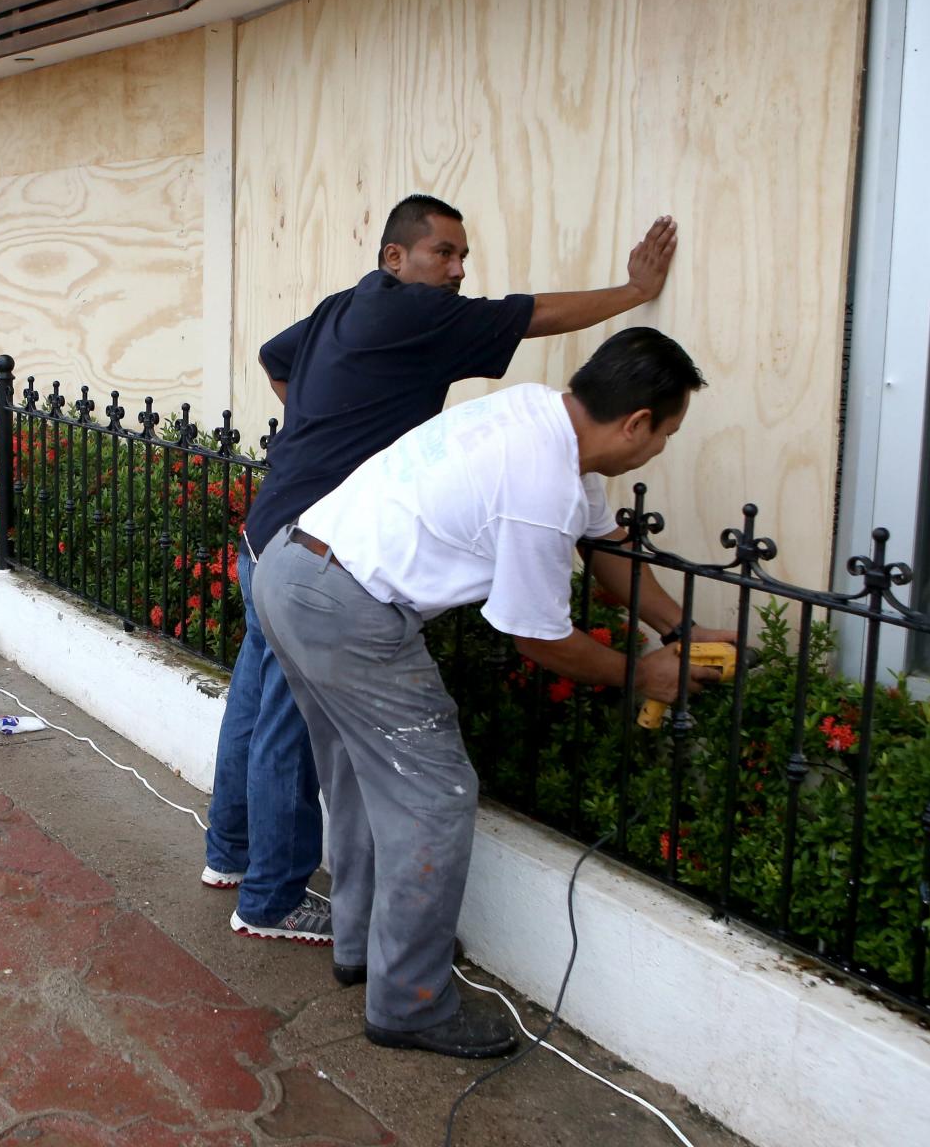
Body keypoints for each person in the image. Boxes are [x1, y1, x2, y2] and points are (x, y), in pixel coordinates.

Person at [206, 195, 680, 948]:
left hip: (275, 526)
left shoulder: (347, 306)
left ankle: (230, 858)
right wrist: (632, 294)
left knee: (254, 702)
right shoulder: (421, 316)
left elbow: (275, 357)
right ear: (396, 258)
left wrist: (322, 431)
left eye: (463, 257)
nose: (459, 270)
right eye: (445, 253)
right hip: (315, 542)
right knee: (287, 726)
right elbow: (531, 315)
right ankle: (269, 898)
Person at [252, 328, 731, 1058]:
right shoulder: (542, 485)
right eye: (665, 433)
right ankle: (409, 1002)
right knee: (434, 792)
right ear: (636, 424)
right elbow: (539, 639)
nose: (659, 449)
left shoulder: (544, 420)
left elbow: (606, 550)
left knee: (357, 769)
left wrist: (681, 628)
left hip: (292, 569)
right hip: (344, 605)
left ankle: (361, 949)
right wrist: (644, 673)